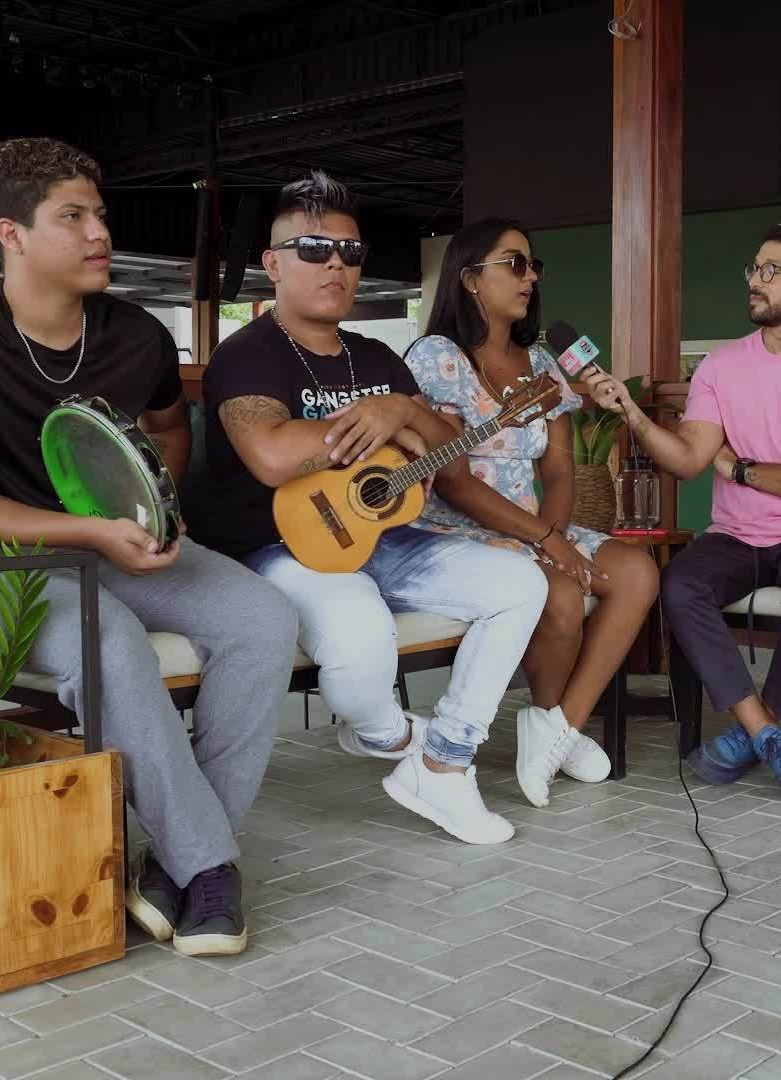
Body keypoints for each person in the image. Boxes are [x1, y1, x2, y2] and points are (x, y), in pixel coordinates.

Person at [0, 137, 297, 957]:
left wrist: (155, 507)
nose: (98, 232)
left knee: (262, 618)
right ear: (11, 234)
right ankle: (209, 868)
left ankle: (173, 861)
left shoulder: (136, 333)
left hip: (114, 544)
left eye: (99, 214)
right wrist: (88, 531)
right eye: (71, 217)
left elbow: (168, 426)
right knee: (104, 638)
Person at [194, 171, 548, 846]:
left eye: (350, 254)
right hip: (280, 544)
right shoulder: (247, 356)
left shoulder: (379, 357)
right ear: (273, 264)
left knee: (519, 583)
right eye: (313, 249)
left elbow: (447, 452)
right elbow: (269, 454)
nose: (335, 264)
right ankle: (393, 735)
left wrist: (402, 409)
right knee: (360, 646)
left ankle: (445, 761)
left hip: (387, 535)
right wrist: (384, 425)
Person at [585, 226, 781, 797]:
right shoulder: (721, 368)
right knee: (678, 586)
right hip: (738, 534)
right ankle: (766, 733)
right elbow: (690, 460)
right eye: (754, 268)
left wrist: (745, 471)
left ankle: (755, 732)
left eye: (774, 270)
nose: (757, 280)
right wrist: (633, 414)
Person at [402, 218, 660, 808]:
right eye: (513, 263)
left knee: (639, 572)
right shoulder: (436, 357)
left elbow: (560, 470)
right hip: (457, 530)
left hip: (537, 528)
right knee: (564, 594)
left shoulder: (543, 362)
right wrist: (547, 540)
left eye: (532, 264)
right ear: (470, 278)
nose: (530, 276)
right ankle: (548, 723)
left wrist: (554, 537)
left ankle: (557, 727)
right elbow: (453, 480)